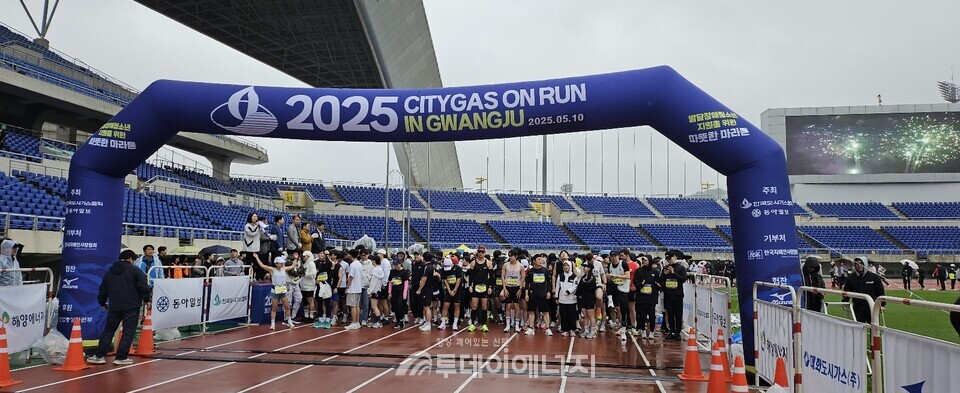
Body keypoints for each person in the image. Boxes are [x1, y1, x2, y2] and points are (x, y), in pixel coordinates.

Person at [87, 250, 151, 365]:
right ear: (130, 259)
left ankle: (99, 356)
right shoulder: (135, 270)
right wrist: (146, 299)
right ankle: (121, 357)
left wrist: (102, 303)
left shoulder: (110, 272)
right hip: (132, 306)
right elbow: (143, 286)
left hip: (114, 306)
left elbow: (103, 289)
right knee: (128, 332)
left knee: (108, 331)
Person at [253, 254, 296, 330]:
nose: (282, 264)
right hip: (275, 291)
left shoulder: (284, 269)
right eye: (281, 263)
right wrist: (257, 258)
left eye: (282, 263)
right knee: (274, 308)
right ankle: (273, 323)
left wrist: (295, 259)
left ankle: (289, 321)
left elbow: (292, 266)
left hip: (283, 291)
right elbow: (262, 265)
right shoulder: (272, 270)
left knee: (287, 307)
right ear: (276, 263)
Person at [842, 257, 885, 323]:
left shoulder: (874, 277)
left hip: (872, 307)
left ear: (865, 264)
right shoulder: (850, 278)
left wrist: (882, 305)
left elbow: (880, 292)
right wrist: (844, 302)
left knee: (874, 328)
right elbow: (847, 291)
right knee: (858, 328)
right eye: (857, 264)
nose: (859, 266)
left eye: (861, 263)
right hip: (857, 307)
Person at [659, 252, 687, 341]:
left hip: (677, 295)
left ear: (674, 257)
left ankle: (678, 332)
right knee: (670, 314)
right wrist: (665, 274)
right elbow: (661, 280)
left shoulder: (681, 268)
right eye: (667, 259)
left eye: (670, 258)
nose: (669, 260)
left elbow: (683, 279)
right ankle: (671, 331)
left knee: (678, 314)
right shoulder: (665, 268)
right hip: (668, 294)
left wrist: (674, 273)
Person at [524, 255, 553, 336]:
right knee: (531, 310)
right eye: (538, 259)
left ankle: (547, 328)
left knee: (545, 311)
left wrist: (548, 292)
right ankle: (531, 328)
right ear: (534, 261)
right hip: (532, 293)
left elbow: (549, 282)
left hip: (543, 294)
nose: (540, 261)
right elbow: (527, 284)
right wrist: (526, 294)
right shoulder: (530, 271)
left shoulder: (545, 270)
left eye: (541, 259)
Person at [633, 256, 661, 340]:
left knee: (651, 314)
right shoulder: (638, 271)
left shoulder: (655, 272)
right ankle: (643, 330)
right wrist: (641, 284)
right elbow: (635, 283)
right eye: (643, 260)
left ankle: (652, 331)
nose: (644, 261)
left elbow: (659, 284)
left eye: (646, 260)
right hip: (641, 296)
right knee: (642, 315)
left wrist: (657, 285)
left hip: (651, 297)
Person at [468, 247, 495, 332]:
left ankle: (484, 324)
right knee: (474, 306)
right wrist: (470, 285)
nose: (480, 253)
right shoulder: (473, 263)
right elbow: (471, 276)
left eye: (482, 252)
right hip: (476, 286)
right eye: (479, 252)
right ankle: (472, 324)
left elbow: (491, 277)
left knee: (484, 306)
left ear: (484, 253)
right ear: (477, 253)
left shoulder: (489, 263)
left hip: (485, 286)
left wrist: (490, 287)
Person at [501, 249, 525, 332]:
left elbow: (522, 278)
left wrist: (520, 289)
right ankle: (508, 325)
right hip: (508, 287)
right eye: (509, 256)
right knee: (508, 306)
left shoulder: (520, 266)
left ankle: (517, 325)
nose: (510, 257)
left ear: (516, 256)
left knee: (516, 306)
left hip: (516, 287)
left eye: (512, 256)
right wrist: (504, 288)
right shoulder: (505, 265)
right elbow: (503, 277)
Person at [576, 254, 600, 339]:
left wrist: (583, 286)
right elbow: (579, 287)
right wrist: (577, 294)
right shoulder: (583, 278)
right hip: (583, 298)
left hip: (590, 298)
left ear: (589, 268)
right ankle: (586, 331)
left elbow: (589, 287)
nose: (584, 268)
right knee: (585, 315)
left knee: (591, 316)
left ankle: (593, 331)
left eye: (585, 267)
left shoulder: (592, 278)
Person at [415, 252, 440, 331]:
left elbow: (424, 279)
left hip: (427, 289)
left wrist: (419, 289)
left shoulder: (427, 267)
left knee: (427, 307)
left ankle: (428, 324)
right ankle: (426, 323)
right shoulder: (430, 267)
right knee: (425, 306)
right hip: (429, 288)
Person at [555, 260, 579, 336]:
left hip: (571, 299)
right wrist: (556, 296)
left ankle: (572, 329)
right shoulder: (560, 275)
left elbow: (575, 286)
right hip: (562, 299)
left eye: (567, 265)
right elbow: (557, 286)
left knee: (572, 315)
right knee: (563, 315)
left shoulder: (574, 276)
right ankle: (565, 329)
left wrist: (568, 291)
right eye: (564, 266)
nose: (566, 267)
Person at [345, 249, 364, 330]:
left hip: (353, 288)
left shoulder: (353, 265)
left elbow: (351, 277)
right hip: (358, 288)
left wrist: (347, 287)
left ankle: (354, 322)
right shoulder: (359, 264)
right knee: (357, 306)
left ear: (350, 255)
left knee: (352, 306)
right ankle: (357, 322)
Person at [388, 259, 410, 329]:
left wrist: (404, 294)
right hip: (394, 291)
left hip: (401, 291)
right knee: (395, 306)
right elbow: (390, 282)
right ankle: (397, 320)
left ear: (400, 264)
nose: (396, 266)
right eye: (395, 265)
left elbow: (406, 284)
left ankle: (401, 320)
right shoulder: (392, 272)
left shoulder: (404, 272)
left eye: (397, 265)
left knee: (399, 305)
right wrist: (389, 292)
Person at [243, 213, 264, 279]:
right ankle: (247, 277)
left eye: (256, 216)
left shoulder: (256, 226)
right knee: (249, 264)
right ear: (250, 217)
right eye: (254, 216)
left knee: (256, 264)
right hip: (250, 248)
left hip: (256, 247)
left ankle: (254, 277)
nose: (256, 217)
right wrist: (257, 227)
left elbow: (259, 234)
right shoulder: (247, 226)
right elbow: (252, 233)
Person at [300, 251, 318, 323]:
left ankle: (311, 316)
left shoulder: (311, 263)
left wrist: (304, 274)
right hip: (303, 285)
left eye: (304, 256)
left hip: (309, 285)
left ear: (308, 256)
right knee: (305, 301)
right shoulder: (303, 264)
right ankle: (306, 316)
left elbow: (313, 274)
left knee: (310, 300)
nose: (303, 258)